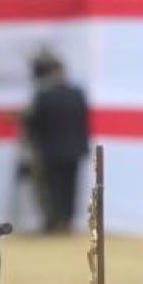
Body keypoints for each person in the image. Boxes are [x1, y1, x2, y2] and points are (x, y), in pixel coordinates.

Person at [25, 50, 90, 232]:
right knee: (69, 188)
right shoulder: (77, 94)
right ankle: (66, 221)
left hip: (51, 150)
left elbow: (34, 122)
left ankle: (55, 221)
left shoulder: (44, 96)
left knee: (54, 188)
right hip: (74, 149)